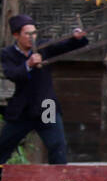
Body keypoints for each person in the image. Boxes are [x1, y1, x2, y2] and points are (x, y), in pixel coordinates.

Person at [0, 15, 87, 166]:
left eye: (34, 33)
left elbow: (64, 46)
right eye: (27, 34)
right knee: (3, 146)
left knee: (57, 146)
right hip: (22, 110)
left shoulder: (43, 47)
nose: (32, 37)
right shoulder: (7, 54)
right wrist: (28, 64)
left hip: (46, 106)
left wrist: (76, 38)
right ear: (16, 35)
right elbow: (13, 74)